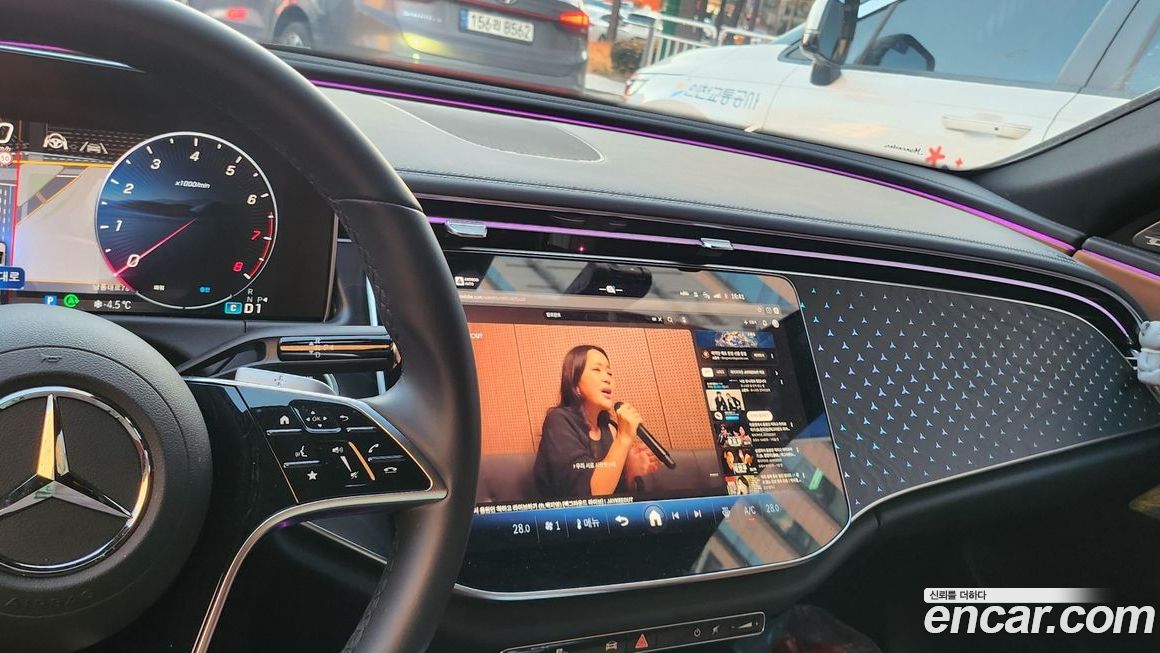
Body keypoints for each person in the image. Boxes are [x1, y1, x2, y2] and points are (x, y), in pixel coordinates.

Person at [534, 345, 660, 499]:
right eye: (597, 370)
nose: (607, 378)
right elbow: (586, 497)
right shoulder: (558, 421)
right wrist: (623, 439)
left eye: (609, 373)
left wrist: (630, 473)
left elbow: (625, 499)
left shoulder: (611, 429)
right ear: (575, 384)